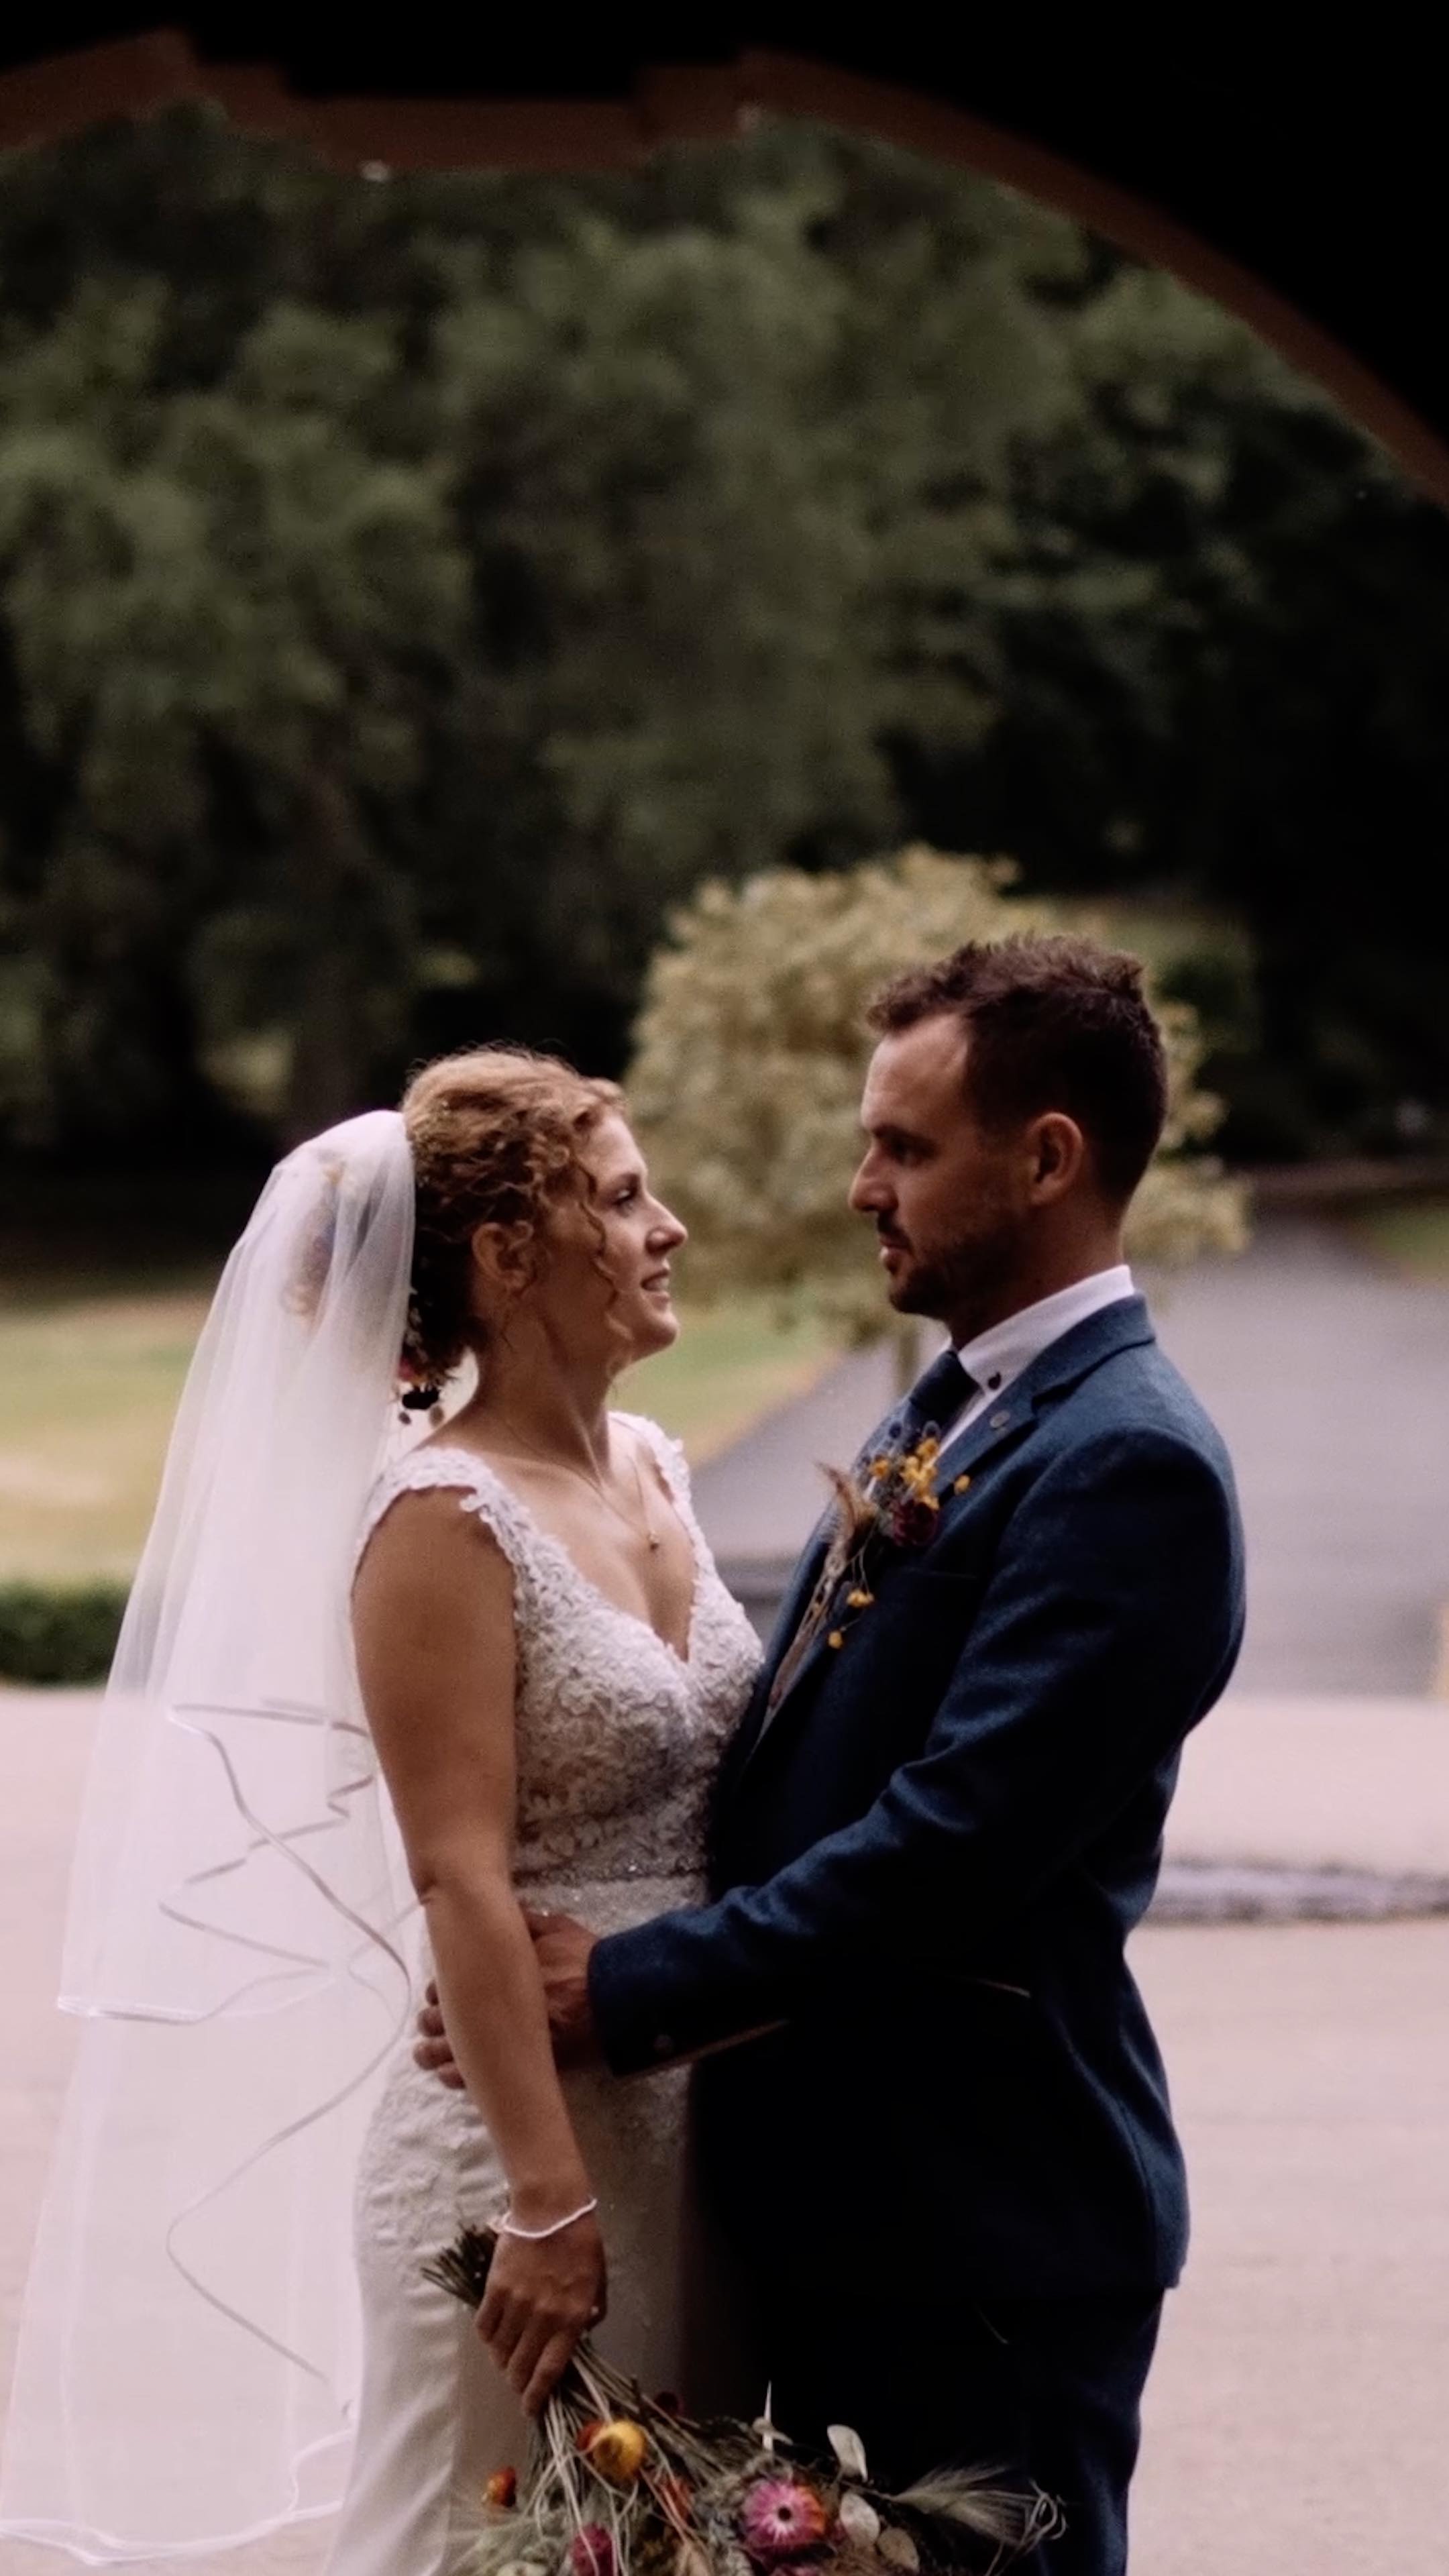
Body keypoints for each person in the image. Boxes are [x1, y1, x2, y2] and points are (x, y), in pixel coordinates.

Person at [417, 936, 1246, 2576]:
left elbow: (952, 1848)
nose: (864, 1186)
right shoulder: (960, 1402)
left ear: (1049, 1160)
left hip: (985, 2235)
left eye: (905, 1148)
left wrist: (629, 1980)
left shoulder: (1129, 1463)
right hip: (836, 2213)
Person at [0, 1047, 762, 2567]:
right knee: (477, 2539)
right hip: (529, 2152)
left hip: (704, 2123)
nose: (667, 1227)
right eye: (623, 1199)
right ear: (508, 1257)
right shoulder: (441, 1520)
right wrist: (544, 2199)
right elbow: (457, 1878)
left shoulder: (656, 1468)